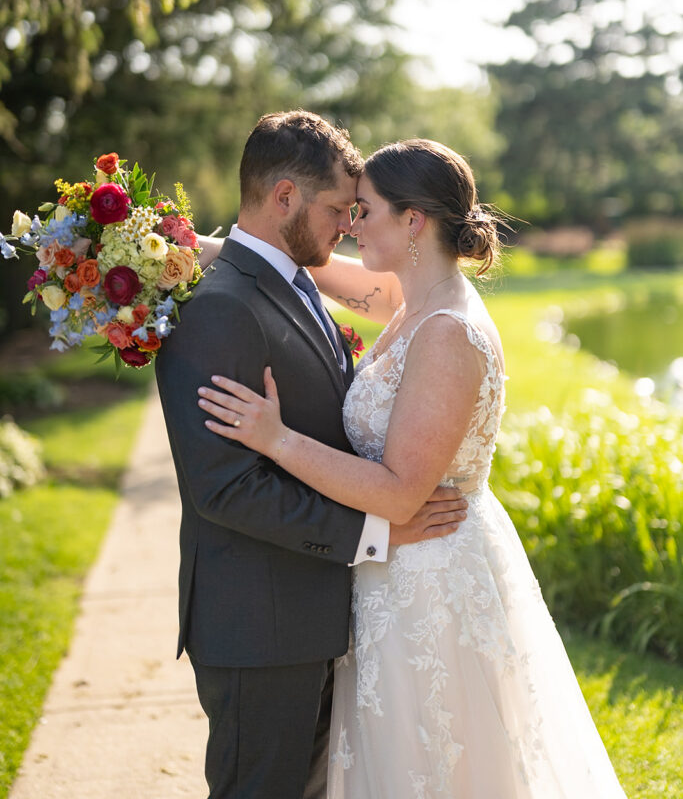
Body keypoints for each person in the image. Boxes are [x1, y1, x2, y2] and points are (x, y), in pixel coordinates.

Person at [197, 138, 627, 798]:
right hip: (394, 571)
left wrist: (275, 439)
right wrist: (200, 250)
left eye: (363, 211)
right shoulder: (410, 300)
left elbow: (400, 495)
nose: (348, 223)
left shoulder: (447, 333)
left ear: (412, 221)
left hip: (429, 571)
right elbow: (310, 271)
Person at [155, 113, 468, 799]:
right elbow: (225, 487)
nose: (347, 224)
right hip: (259, 624)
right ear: (285, 199)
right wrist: (373, 533)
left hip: (311, 613)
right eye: (337, 208)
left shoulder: (291, 282)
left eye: (360, 210)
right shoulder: (221, 308)